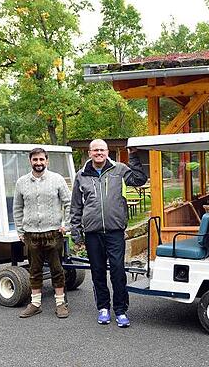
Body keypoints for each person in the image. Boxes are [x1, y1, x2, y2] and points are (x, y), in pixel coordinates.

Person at [70, 139, 148, 328]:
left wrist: (134, 156)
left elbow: (139, 179)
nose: (99, 153)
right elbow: (76, 206)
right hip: (92, 232)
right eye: (95, 150)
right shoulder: (81, 175)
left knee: (118, 271)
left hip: (114, 231)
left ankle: (120, 310)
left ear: (108, 151)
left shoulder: (119, 169)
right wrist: (75, 231)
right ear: (90, 153)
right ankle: (103, 308)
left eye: (102, 150)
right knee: (97, 272)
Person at [14, 147, 72, 319]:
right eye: (35, 160)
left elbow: (68, 202)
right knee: (34, 270)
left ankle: (61, 303)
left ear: (47, 161)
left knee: (56, 269)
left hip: (53, 233)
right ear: (30, 161)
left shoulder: (57, 179)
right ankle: (35, 303)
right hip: (31, 234)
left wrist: (65, 224)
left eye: (41, 159)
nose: (38, 163)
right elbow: (17, 207)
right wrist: (20, 230)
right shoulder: (22, 182)